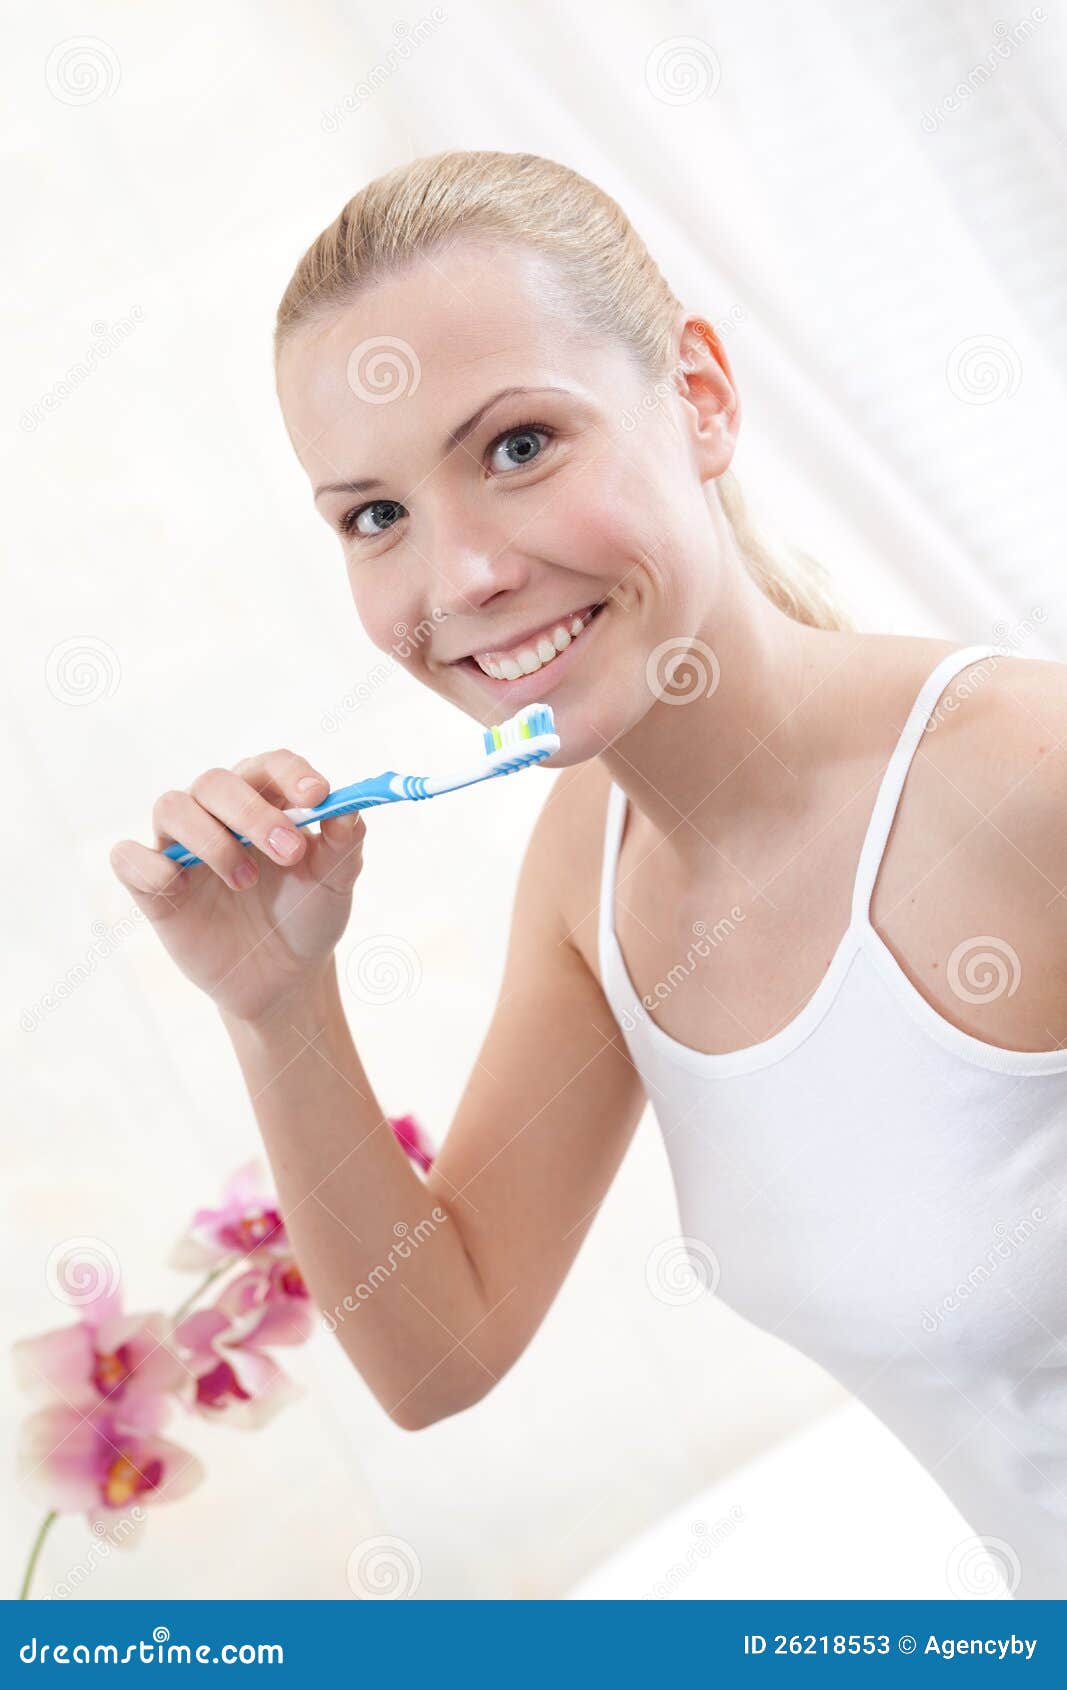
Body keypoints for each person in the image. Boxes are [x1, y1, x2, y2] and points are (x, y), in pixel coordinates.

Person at [109, 151, 1067, 1598]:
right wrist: (276, 1005)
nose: (464, 575)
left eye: (516, 447)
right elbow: (442, 1346)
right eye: (376, 515)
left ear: (699, 397)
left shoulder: (1017, 774)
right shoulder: (592, 869)